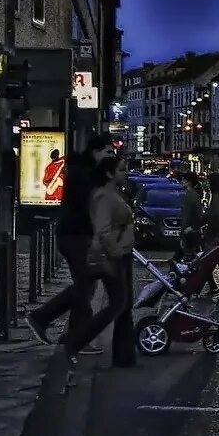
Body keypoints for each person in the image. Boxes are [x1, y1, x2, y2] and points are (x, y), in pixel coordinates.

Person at [25, 134, 117, 352]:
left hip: (77, 235)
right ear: (97, 151)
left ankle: (66, 331)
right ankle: (50, 322)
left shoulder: (86, 172)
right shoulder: (83, 174)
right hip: (74, 236)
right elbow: (91, 207)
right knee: (85, 286)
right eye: (108, 152)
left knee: (86, 285)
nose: (111, 156)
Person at [63, 155, 137, 366]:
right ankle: (76, 340)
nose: (126, 173)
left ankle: (124, 357)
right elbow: (103, 230)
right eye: (122, 169)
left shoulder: (112, 193)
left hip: (121, 253)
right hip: (114, 256)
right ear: (109, 174)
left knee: (123, 305)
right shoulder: (104, 196)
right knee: (118, 305)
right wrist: (115, 251)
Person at [172, 172, 206, 262]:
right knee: (187, 258)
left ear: (189, 182)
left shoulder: (191, 195)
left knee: (188, 258)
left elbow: (189, 216)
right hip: (192, 232)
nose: (182, 182)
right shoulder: (192, 194)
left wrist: (185, 232)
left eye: (184, 180)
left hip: (190, 233)